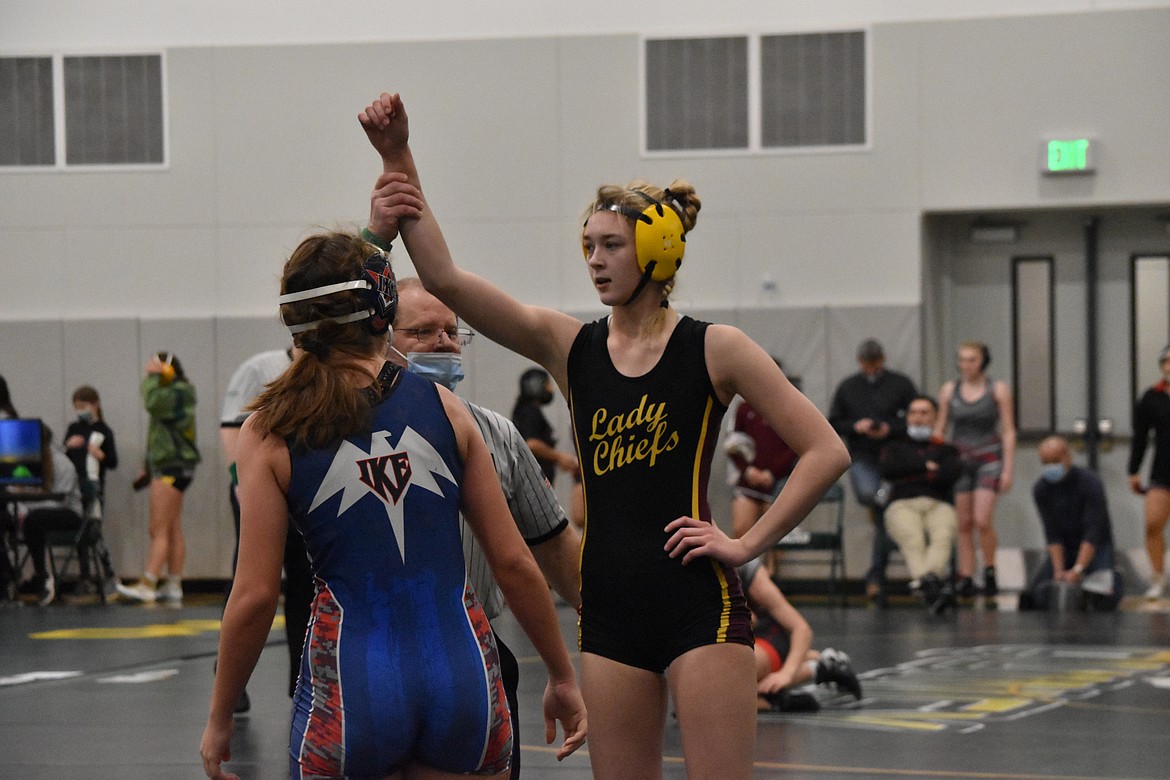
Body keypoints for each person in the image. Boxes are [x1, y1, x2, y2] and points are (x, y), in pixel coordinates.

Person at [361, 91, 850, 779]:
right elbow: (444, 277)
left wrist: (745, 543)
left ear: (658, 250)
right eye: (588, 245)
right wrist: (396, 155)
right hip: (609, 608)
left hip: (696, 603)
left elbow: (827, 451)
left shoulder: (716, 349)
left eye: (611, 245)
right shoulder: (572, 348)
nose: (594, 260)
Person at [199, 230, 586, 780]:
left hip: (354, 684)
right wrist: (562, 674)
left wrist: (220, 716)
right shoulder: (447, 410)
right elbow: (515, 562)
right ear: (384, 312)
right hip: (462, 677)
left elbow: (256, 596)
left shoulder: (270, 431)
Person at [384, 275, 585, 779]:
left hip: (475, 652)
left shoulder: (495, 431)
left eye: (453, 332)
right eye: (424, 331)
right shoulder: (344, 433)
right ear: (381, 339)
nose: (445, 343)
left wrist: (617, 623)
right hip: (376, 652)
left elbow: (550, 546)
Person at [219, 345, 307, 712]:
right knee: (253, 581)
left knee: (305, 581)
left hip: (304, 488)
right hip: (258, 487)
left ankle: (302, 681)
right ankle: (229, 676)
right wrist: (241, 482)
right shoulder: (260, 367)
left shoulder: (331, 368)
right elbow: (231, 428)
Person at [828, 338, 918, 602]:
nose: (871, 369)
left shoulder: (900, 384)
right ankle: (877, 573)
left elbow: (916, 418)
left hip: (895, 457)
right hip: (863, 455)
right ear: (860, 362)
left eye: (875, 363)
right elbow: (833, 422)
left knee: (882, 515)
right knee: (873, 497)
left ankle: (876, 576)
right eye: (867, 365)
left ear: (883, 359)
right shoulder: (848, 387)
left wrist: (891, 428)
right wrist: (856, 426)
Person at [933, 341, 1016, 598]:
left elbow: (1008, 430)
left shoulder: (997, 389)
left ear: (982, 361)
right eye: (962, 359)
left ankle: (989, 570)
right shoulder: (950, 390)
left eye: (972, 359)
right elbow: (940, 428)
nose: (966, 365)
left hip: (988, 457)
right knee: (964, 523)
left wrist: (1008, 470)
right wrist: (937, 458)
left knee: (982, 520)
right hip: (960, 459)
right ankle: (966, 575)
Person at [117, 352, 201, 603]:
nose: (148, 370)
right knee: (172, 527)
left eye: (154, 366)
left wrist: (153, 378)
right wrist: (147, 465)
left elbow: (151, 401)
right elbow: (158, 434)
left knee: (158, 528)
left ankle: (148, 583)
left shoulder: (177, 392)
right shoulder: (176, 392)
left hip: (171, 467)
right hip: (169, 465)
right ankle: (173, 584)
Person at [737, 556, 862, 713]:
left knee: (729, 676)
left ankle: (778, 696)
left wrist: (786, 675)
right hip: (739, 646)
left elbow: (801, 629)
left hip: (768, 637)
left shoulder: (744, 570)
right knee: (711, 688)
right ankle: (818, 666)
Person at [878, 395, 961, 614]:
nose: (918, 418)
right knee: (912, 537)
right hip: (902, 503)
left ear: (935, 417)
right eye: (914, 412)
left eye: (924, 413)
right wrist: (927, 467)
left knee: (943, 534)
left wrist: (913, 469)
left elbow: (950, 474)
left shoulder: (947, 450)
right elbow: (888, 470)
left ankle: (927, 582)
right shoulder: (894, 446)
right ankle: (933, 587)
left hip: (937, 503)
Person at [1020, 436, 1122, 611]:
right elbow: (1052, 533)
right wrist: (1058, 571)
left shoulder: (1090, 483)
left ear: (1068, 457)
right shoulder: (1041, 489)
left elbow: (1093, 531)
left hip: (1096, 548)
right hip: (1065, 550)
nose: (1051, 467)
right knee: (1037, 596)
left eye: (1055, 461)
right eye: (1046, 462)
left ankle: (1114, 576)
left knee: (1106, 597)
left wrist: (1078, 569)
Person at [724, 360, 800, 576]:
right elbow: (733, 444)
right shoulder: (744, 408)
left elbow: (795, 446)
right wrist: (747, 470)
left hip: (777, 482)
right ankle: (741, 581)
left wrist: (772, 473)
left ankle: (769, 577)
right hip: (749, 480)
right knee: (741, 531)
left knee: (773, 535)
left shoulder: (788, 406)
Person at [17, 424, 84, 605]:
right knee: (11, 518)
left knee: (33, 521)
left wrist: (29, 508)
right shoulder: (28, 463)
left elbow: (60, 501)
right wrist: (22, 508)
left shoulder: (63, 464)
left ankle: (44, 576)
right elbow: (20, 492)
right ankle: (10, 579)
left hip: (69, 513)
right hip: (40, 511)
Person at [62, 385, 120, 594]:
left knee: (93, 531)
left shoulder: (104, 431)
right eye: (77, 407)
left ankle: (107, 573)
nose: (80, 411)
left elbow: (113, 461)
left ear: (95, 405)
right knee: (79, 529)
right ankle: (85, 575)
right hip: (74, 487)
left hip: (94, 487)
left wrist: (99, 454)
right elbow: (63, 458)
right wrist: (68, 446)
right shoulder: (74, 429)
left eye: (83, 406)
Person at [512, 366, 585, 527]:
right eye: (547, 384)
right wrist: (560, 457)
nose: (551, 389)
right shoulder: (530, 411)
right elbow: (531, 444)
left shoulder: (526, 411)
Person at [1127, 345, 1170, 599]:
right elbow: (1140, 437)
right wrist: (1133, 470)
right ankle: (1157, 578)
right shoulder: (1152, 397)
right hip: (1162, 471)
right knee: (1153, 523)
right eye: (1167, 361)